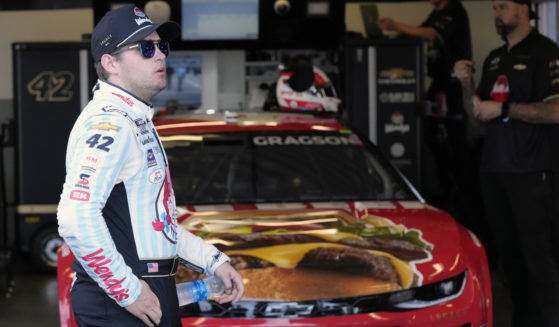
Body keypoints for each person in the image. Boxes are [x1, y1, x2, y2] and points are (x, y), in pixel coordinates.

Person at [56, 5, 244, 327]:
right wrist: (127, 291)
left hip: (149, 286)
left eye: (162, 46)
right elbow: (75, 216)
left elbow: (158, 224)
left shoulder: (135, 118)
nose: (160, 55)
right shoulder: (109, 123)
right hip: (120, 298)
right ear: (110, 63)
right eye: (146, 48)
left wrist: (213, 261)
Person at [454, 0, 559, 325]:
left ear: (524, 9)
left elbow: (556, 111)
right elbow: (476, 117)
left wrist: (504, 109)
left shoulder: (545, 51)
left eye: (503, 6)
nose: (496, 14)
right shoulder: (495, 58)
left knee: (540, 264)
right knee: (509, 264)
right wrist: (466, 83)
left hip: (531, 172)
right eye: (494, 8)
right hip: (494, 170)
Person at [377, 0, 476, 228]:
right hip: (438, 86)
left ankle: (465, 217)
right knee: (436, 149)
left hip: (453, 89)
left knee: (457, 158)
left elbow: (431, 34)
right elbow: (420, 33)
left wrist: (395, 25)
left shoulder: (454, 11)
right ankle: (443, 203)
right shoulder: (436, 12)